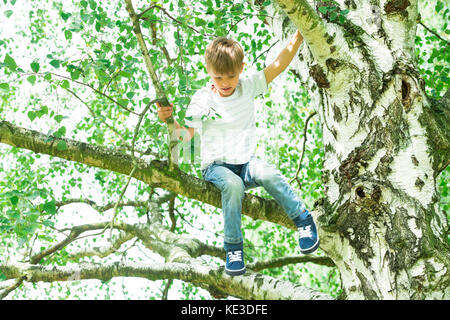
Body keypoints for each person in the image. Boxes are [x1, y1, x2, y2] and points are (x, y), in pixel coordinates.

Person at [156, 30, 319, 276]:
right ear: (208, 70)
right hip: (216, 167)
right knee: (232, 186)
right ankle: (233, 247)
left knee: (269, 173)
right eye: (218, 76)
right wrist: (168, 120)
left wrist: (298, 36)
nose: (225, 82)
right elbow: (186, 135)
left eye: (231, 75)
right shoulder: (202, 99)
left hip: (247, 164)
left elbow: (278, 66)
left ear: (241, 68)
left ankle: (303, 219)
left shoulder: (248, 86)